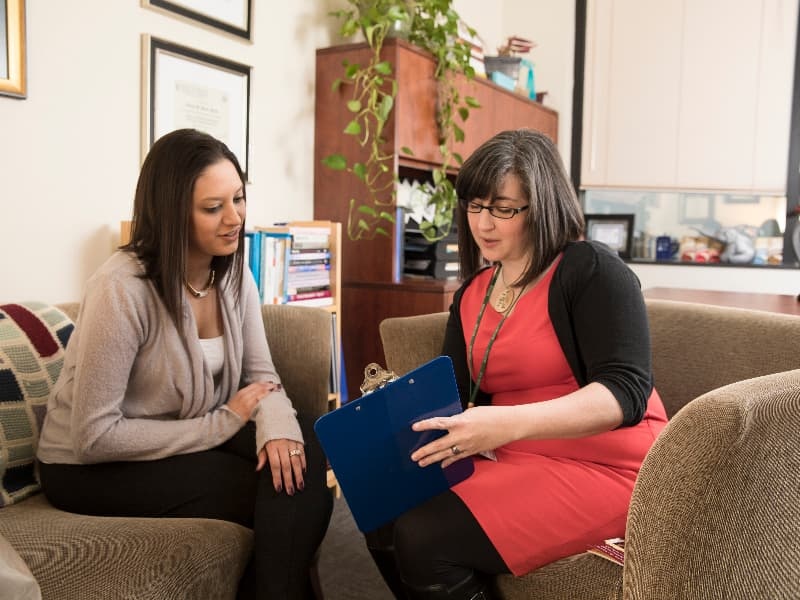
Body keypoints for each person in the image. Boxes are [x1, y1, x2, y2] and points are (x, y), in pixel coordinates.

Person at [366, 129, 668, 600]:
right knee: (380, 506)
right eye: (474, 206)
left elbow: (625, 392)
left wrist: (503, 425)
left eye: (503, 209)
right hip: (515, 453)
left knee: (424, 535)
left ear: (542, 205)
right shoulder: (472, 293)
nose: (483, 223)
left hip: (609, 464)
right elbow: (454, 391)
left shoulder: (589, 269)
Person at [36, 128, 333, 599]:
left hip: (183, 433)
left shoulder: (232, 272)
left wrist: (277, 425)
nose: (234, 218)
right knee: (274, 490)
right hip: (87, 468)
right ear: (173, 213)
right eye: (213, 208)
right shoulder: (122, 289)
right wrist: (222, 424)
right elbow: (94, 436)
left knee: (307, 446)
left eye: (238, 199)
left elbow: (262, 377)